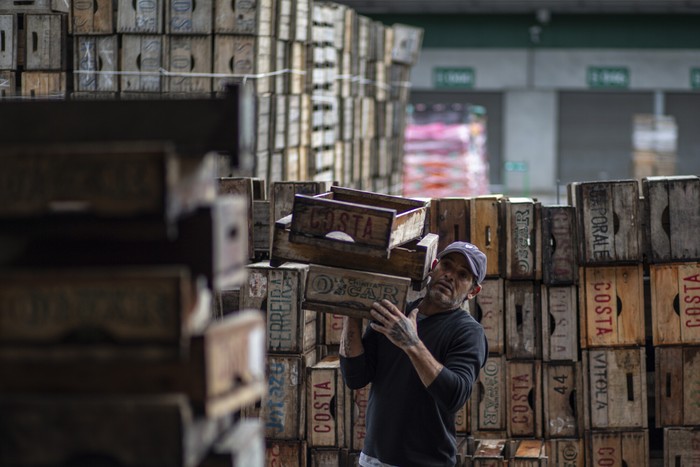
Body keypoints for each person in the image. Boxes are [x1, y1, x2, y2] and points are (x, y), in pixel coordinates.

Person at [339, 241, 489, 467]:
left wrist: (411, 343)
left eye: (463, 274)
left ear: (473, 291)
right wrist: (353, 311)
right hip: (372, 460)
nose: (450, 276)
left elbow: (454, 396)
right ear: (434, 267)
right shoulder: (396, 312)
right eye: (446, 265)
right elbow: (355, 377)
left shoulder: (468, 332)